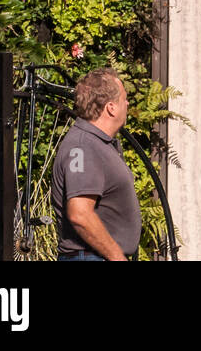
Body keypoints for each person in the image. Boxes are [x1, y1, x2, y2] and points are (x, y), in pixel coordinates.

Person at [51, 68, 142, 261]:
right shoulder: (83, 146)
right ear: (111, 107)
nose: (127, 103)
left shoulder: (97, 143)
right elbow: (80, 214)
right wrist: (117, 257)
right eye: (124, 98)